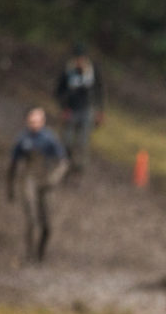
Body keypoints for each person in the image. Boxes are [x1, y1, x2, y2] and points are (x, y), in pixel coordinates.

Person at [6, 106, 68, 263]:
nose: (34, 125)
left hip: (46, 180)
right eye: (31, 121)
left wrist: (55, 178)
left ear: (43, 121)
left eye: (37, 121)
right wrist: (10, 187)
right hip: (28, 179)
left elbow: (63, 162)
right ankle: (29, 253)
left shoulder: (49, 138)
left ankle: (41, 253)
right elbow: (13, 164)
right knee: (32, 219)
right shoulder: (22, 139)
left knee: (47, 224)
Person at [54, 42, 105, 177]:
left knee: (83, 142)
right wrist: (63, 107)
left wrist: (100, 111)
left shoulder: (92, 70)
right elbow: (58, 92)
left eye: (82, 58)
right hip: (70, 109)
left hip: (87, 110)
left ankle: (79, 170)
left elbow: (99, 90)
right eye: (78, 58)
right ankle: (65, 166)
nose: (80, 61)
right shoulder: (68, 71)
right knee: (67, 141)